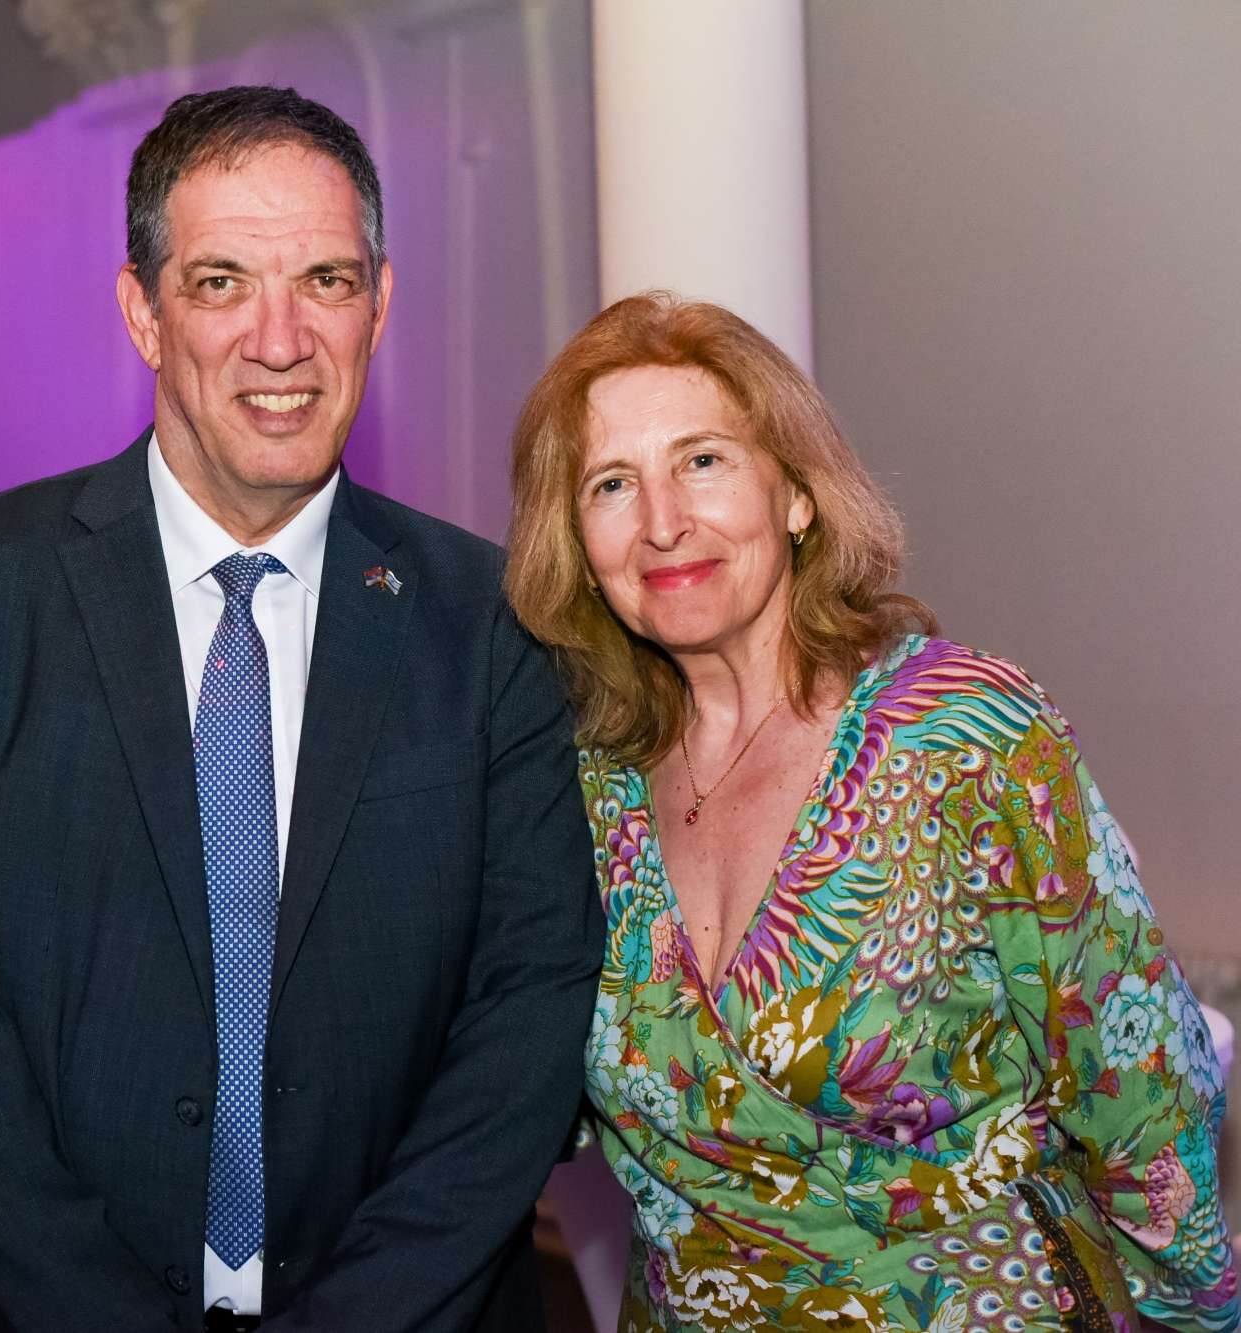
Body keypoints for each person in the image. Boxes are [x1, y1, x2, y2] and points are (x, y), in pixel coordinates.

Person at [0, 85, 602, 1332]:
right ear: (142, 312)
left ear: (378, 304)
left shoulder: (492, 617)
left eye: (324, 281)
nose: (279, 339)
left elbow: (527, 1005)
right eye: (220, 283)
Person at [506, 291, 1239, 1331]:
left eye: (702, 460)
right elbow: (521, 1076)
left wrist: (1195, 1317)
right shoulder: (584, 784)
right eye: (611, 484)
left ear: (796, 496)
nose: (662, 521)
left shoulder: (963, 735)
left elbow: (1141, 1091)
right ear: (577, 543)